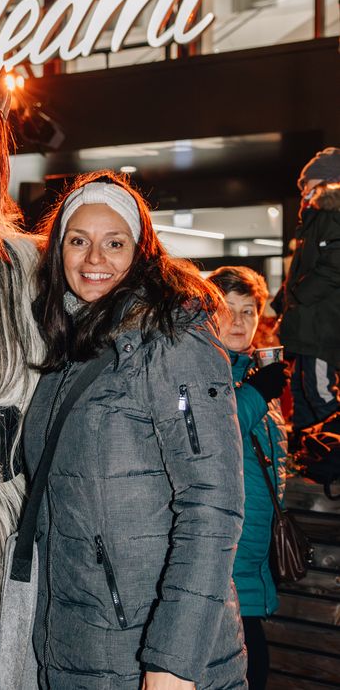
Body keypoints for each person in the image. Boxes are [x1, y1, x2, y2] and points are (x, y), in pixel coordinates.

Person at [23, 171, 246, 689]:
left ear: (141, 250)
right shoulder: (68, 345)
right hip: (74, 646)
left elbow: (212, 503)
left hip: (153, 652)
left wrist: (173, 660)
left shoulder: (172, 337)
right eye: (78, 241)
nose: (94, 258)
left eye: (114, 243)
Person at [207, 266, 288, 690]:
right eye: (227, 309)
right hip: (221, 563)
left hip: (254, 558)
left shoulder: (256, 378)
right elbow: (212, 434)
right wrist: (259, 393)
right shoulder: (202, 370)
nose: (239, 321)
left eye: (248, 311)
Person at [273, 147, 340, 442]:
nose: (303, 190)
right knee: (302, 390)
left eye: (307, 183)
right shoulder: (313, 219)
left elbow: (335, 265)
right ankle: (308, 451)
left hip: (322, 327)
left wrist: (298, 295)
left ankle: (331, 448)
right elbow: (303, 270)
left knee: (319, 391)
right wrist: (283, 301)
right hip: (308, 326)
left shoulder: (332, 215)